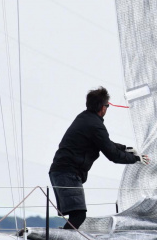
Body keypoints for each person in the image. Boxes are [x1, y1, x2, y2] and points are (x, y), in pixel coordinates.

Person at [49, 87, 149, 229]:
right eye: (107, 106)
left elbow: (105, 143)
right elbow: (112, 155)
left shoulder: (85, 118)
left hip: (62, 171)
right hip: (67, 173)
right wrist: (136, 159)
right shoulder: (95, 125)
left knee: (76, 215)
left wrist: (126, 148)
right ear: (103, 107)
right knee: (78, 215)